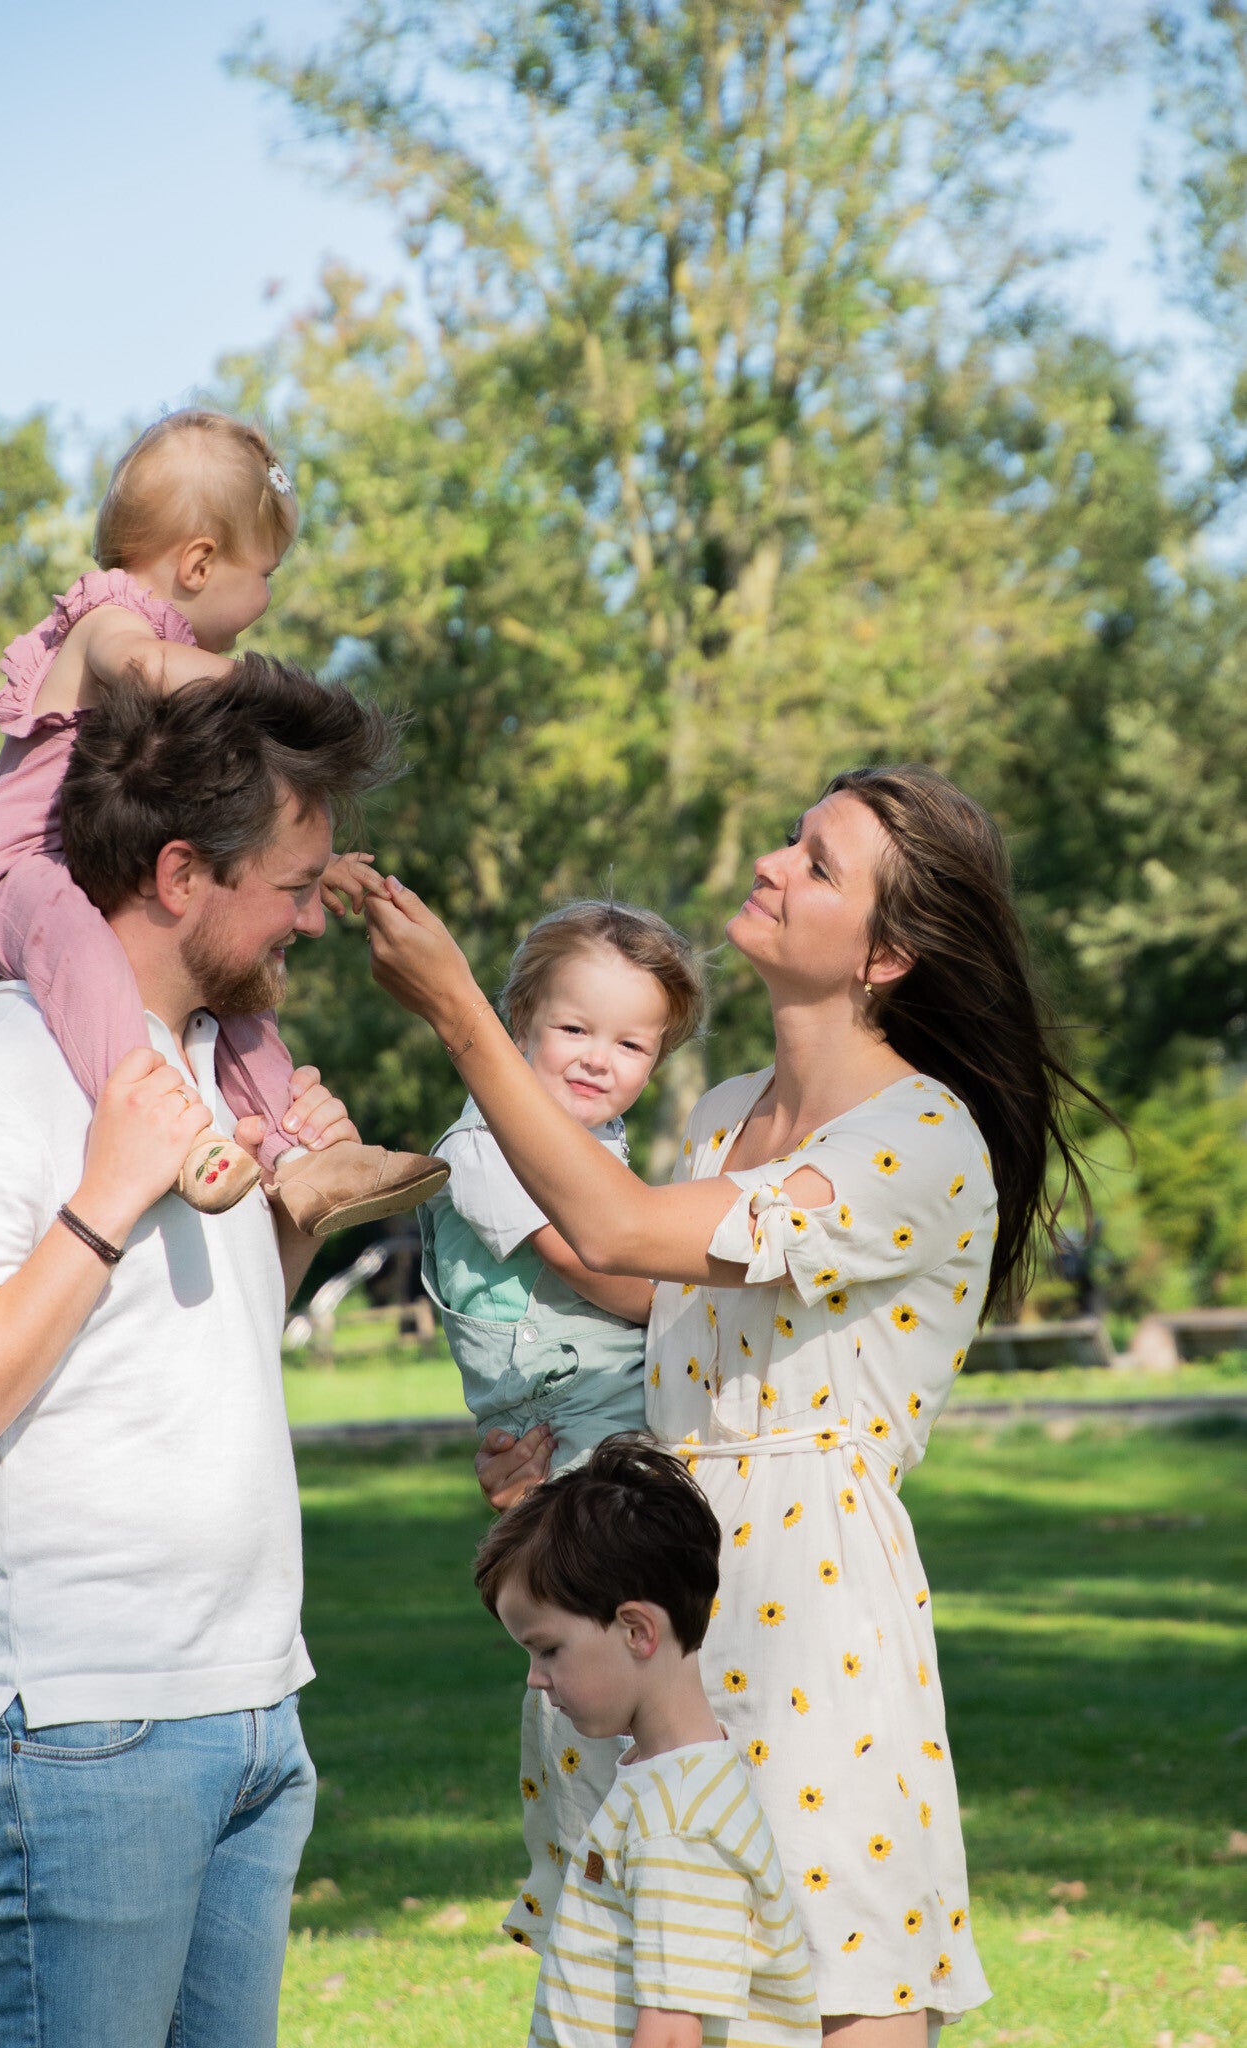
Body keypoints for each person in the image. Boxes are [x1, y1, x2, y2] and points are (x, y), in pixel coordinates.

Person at [362, 763, 1103, 2044]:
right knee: (625, 1984)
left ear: (889, 953)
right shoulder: (715, 1117)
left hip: (809, 1614)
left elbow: (611, 1226)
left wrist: (459, 1011)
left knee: (831, 1969)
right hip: (645, 1591)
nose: (770, 863)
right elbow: (663, 1348)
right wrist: (558, 1480)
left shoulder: (921, 1137)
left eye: (817, 864)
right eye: (790, 840)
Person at [0, 656, 399, 2046]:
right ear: (180, 874)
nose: (314, 917)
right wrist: (107, 1194)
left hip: (250, 1712)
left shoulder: (209, 1065)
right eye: (295, 884)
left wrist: (297, 1226)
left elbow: (174, 1350)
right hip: (79, 1728)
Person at [0, 407, 446, 1235]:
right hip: (18, 876)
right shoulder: (108, 619)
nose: (266, 599)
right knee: (83, 951)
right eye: (267, 574)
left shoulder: (164, 643)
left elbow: (205, 827)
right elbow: (143, 669)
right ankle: (158, 1123)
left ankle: (298, 1155)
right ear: (199, 562)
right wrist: (265, 692)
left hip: (103, 858)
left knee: (235, 978)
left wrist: (307, 869)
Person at [424, 900, 704, 1943]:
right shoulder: (493, 1140)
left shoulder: (595, 1138)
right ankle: (591, 1897)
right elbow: (617, 1274)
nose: (599, 1059)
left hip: (611, 1423)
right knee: (599, 1653)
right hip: (585, 1435)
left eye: (632, 1042)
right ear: (514, 1018)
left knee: (655, 1648)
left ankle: (649, 1885)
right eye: (574, 1029)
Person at [475, 1434, 820, 2048]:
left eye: (548, 1648)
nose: (536, 1677)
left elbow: (670, 2036)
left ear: (636, 1631)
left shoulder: (678, 1826)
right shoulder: (664, 1781)